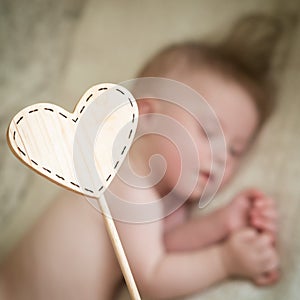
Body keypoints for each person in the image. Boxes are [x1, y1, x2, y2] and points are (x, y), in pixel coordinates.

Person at [0, 14, 284, 300]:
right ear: (147, 115)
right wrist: (224, 261)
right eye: (208, 132)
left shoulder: (163, 202)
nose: (222, 158)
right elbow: (152, 278)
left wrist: (222, 223)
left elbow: (164, 250)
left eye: (235, 150)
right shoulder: (123, 180)